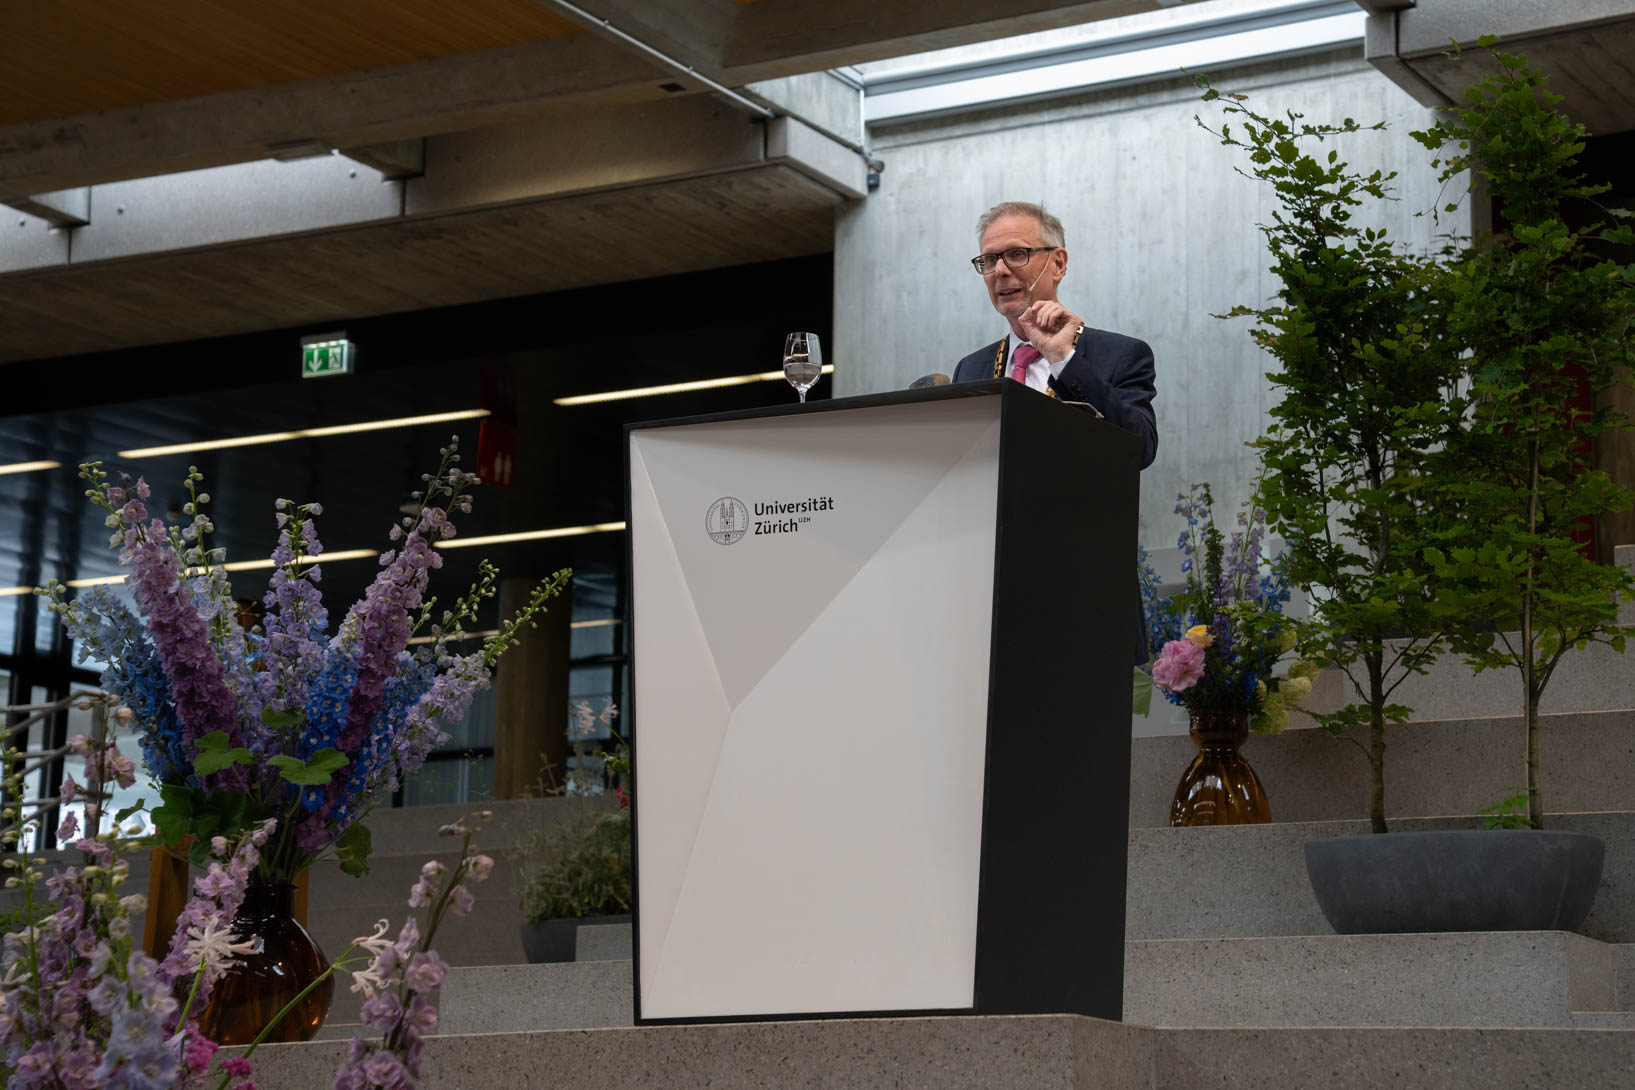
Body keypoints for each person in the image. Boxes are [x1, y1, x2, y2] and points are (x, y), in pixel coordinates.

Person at [953, 201, 1157, 469]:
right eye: (990, 260)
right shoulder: (970, 368)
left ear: (1058, 264)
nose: (1000, 271)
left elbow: (1138, 451)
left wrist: (1063, 359)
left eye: (1017, 254)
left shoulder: (1121, 355)